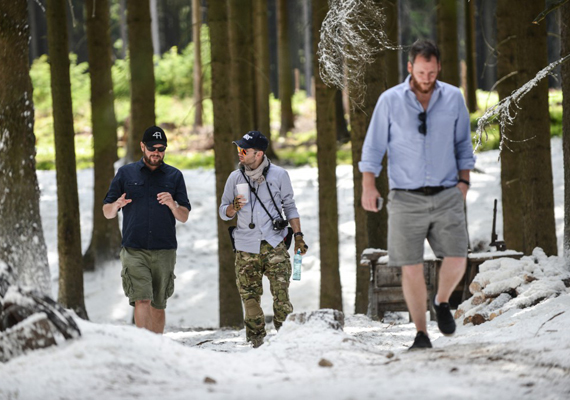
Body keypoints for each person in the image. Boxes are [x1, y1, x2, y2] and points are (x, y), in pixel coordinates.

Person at [359, 40, 475, 350]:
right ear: (410, 68)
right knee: (409, 264)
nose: (427, 77)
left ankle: (441, 301)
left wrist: (464, 183)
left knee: (457, 256)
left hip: (447, 192)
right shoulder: (389, 101)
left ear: (439, 68)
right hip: (405, 197)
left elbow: (463, 143)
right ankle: (421, 334)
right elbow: (373, 147)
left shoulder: (453, 98)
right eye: (422, 71)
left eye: (433, 72)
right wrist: (368, 185)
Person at [219, 131, 308, 348]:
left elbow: (290, 206)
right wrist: (233, 208)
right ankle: (256, 342)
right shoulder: (235, 177)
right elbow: (223, 211)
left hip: (274, 242)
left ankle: (287, 341)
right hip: (245, 246)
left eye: (244, 150)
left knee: (282, 297)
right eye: (239, 149)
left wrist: (298, 236)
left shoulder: (279, 175)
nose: (239, 153)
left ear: (258, 154)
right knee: (249, 300)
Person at [103, 126, 191, 334]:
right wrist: (117, 205)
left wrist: (173, 205)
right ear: (142, 146)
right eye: (152, 148)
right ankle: (144, 346)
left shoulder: (174, 176)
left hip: (164, 249)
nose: (156, 152)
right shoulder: (125, 173)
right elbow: (107, 211)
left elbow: (184, 216)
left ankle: (157, 347)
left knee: (158, 304)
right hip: (134, 249)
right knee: (142, 299)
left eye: (161, 149)